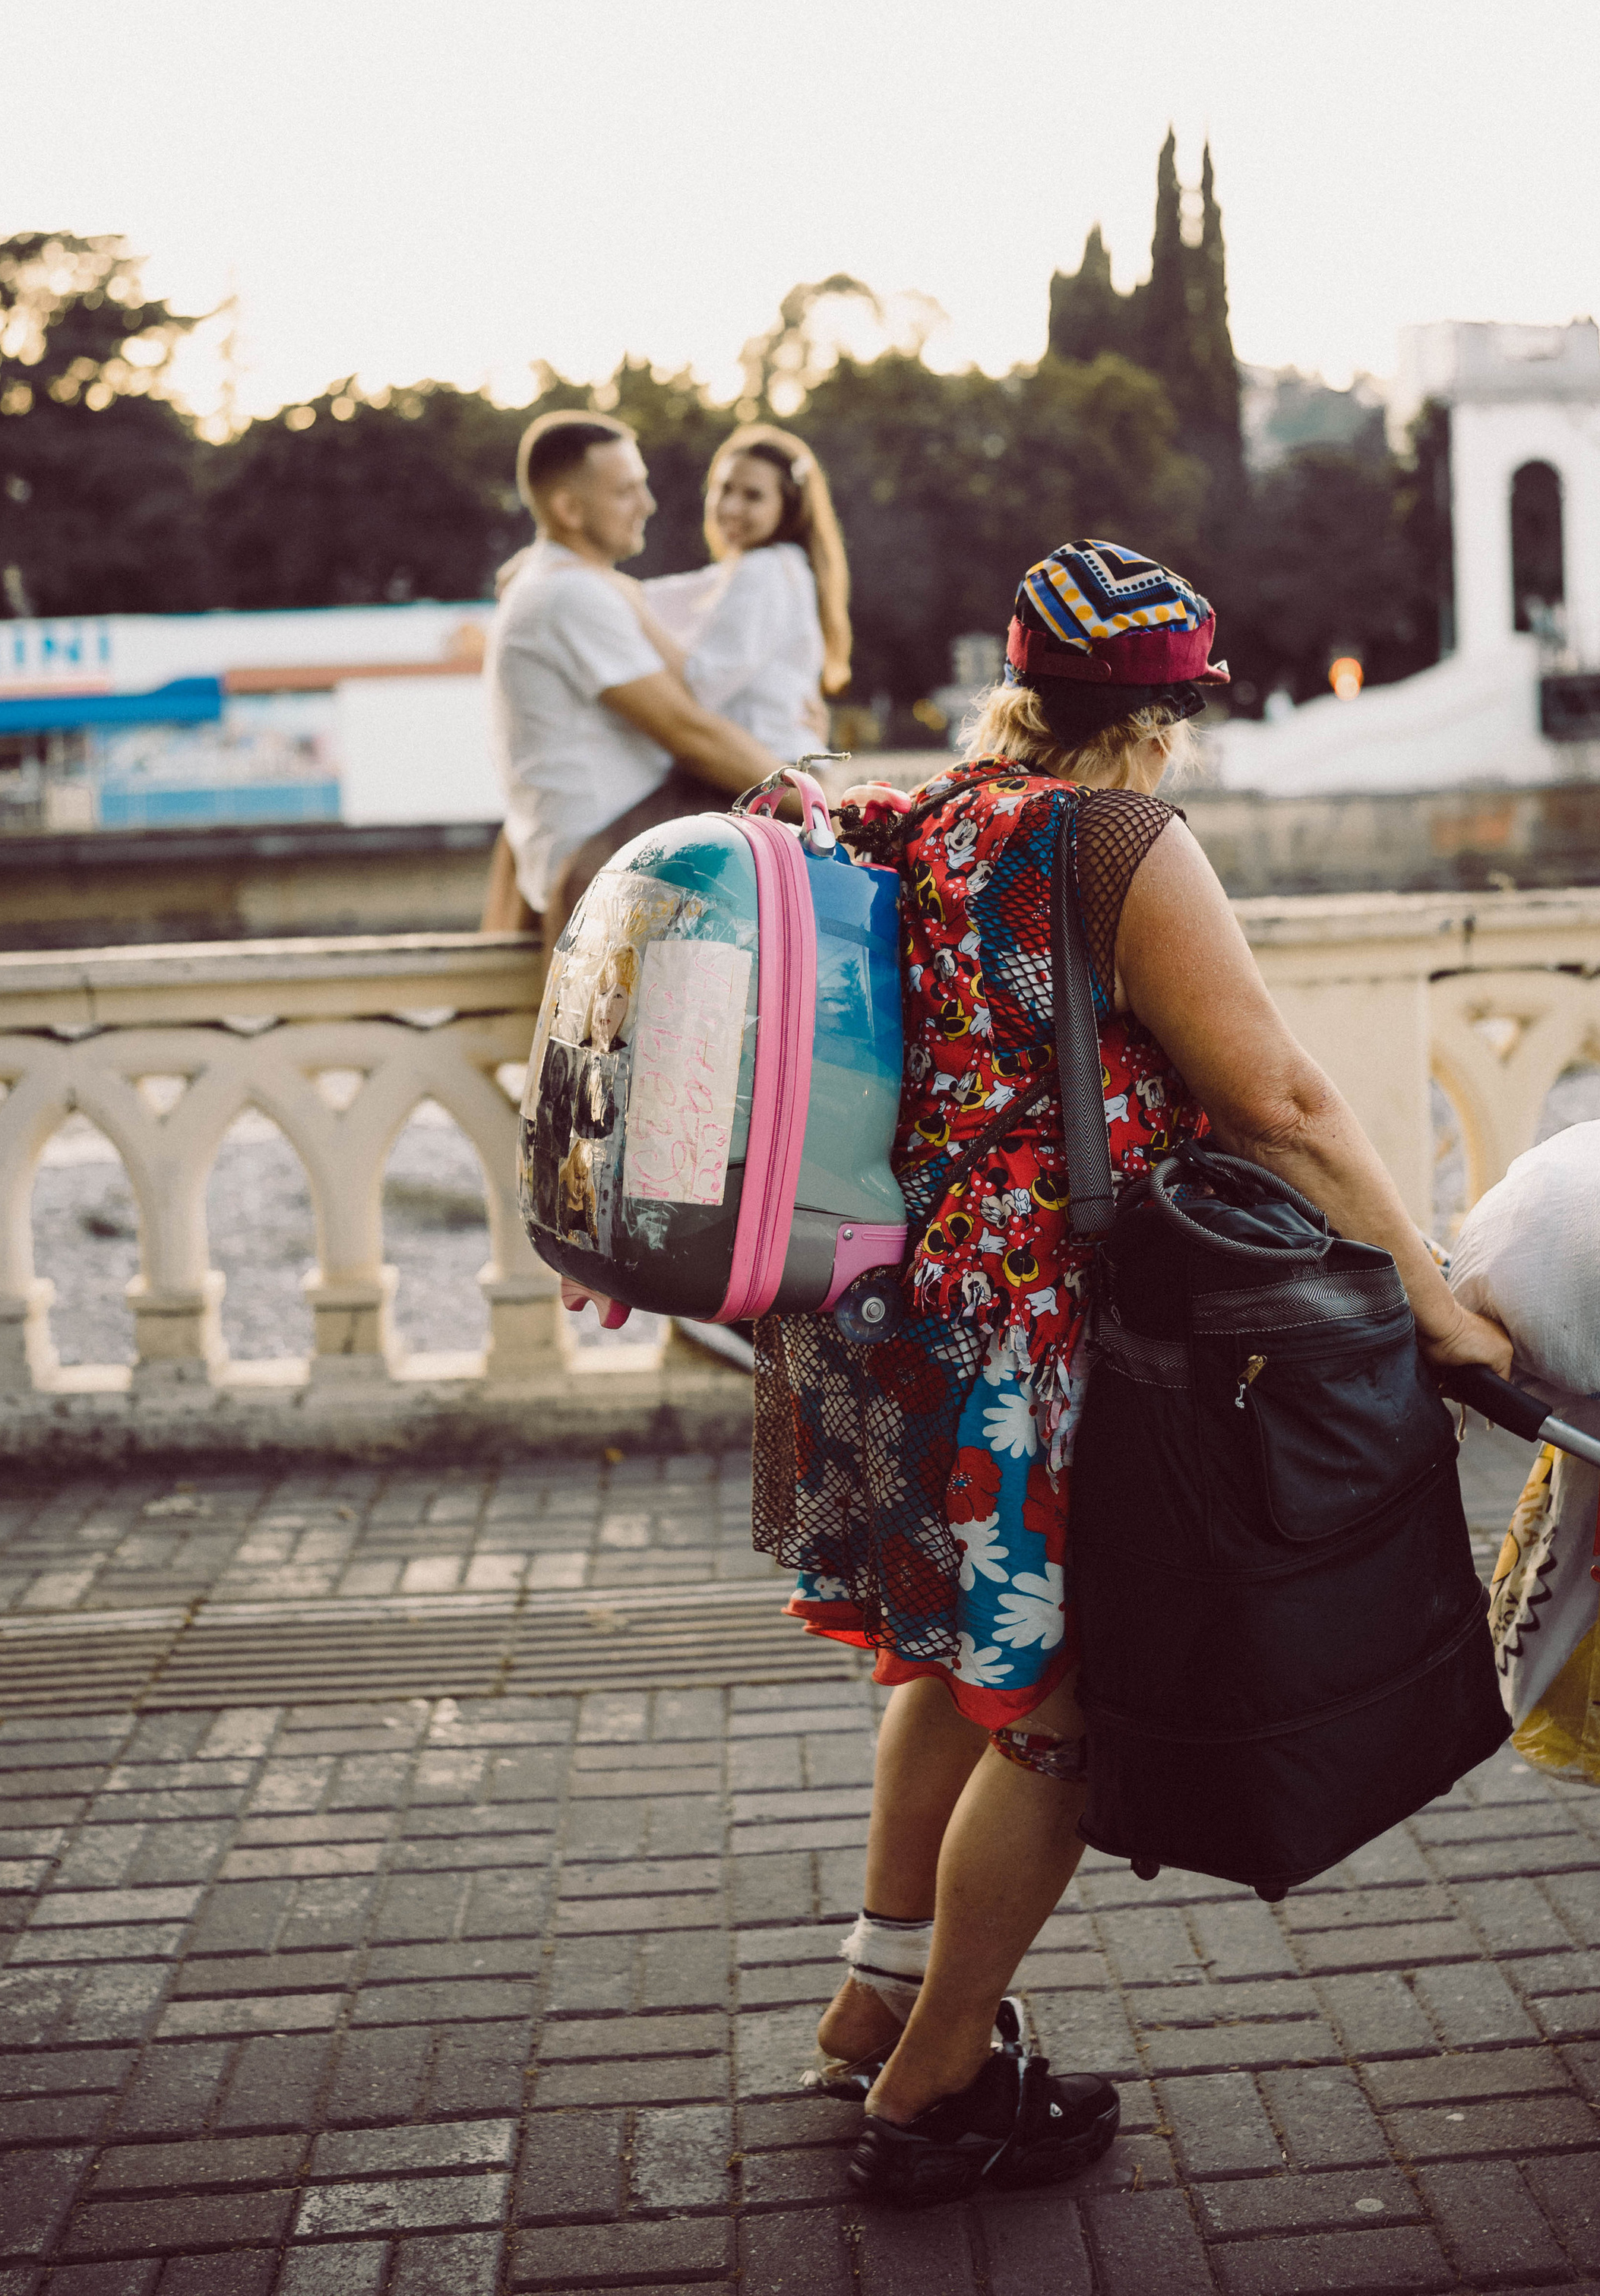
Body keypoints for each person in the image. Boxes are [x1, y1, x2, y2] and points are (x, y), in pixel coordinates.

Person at [750, 538, 1513, 2209]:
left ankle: (871, 1997)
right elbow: (1278, 1102)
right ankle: (931, 2086)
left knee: (956, 1669)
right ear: (1166, 713)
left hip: (896, 1317)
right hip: (1036, 1340)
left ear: (1021, 681)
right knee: (1067, 1726)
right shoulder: (1113, 838)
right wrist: (1431, 1300)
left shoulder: (931, 817)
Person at [484, 413, 789, 960]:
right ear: (569, 509)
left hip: (598, 851)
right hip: (611, 858)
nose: (647, 504)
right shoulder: (571, 596)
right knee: (799, 841)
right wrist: (828, 807)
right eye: (626, 491)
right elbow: (689, 731)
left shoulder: (559, 584)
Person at [643, 425, 852, 757]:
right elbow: (663, 595)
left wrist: (633, 612)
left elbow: (702, 683)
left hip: (760, 782)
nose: (730, 507)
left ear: (789, 506)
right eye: (724, 489)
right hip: (773, 769)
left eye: (753, 496)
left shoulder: (766, 570)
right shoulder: (776, 567)